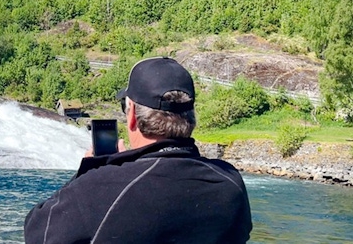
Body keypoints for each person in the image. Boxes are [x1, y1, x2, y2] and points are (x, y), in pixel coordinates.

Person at [24, 56, 252, 244]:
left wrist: (89, 171)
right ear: (191, 116)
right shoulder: (230, 183)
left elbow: (37, 234)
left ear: (131, 114)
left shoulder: (97, 188)